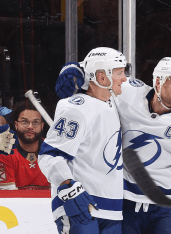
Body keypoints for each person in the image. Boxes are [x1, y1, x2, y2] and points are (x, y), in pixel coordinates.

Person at [56, 57, 171, 234]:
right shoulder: (128, 92)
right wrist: (76, 70)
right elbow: (102, 76)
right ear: (158, 81)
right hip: (126, 203)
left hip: (167, 210)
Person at [38, 47, 128, 233]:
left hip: (111, 209)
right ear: (102, 78)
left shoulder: (116, 101)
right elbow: (50, 155)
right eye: (120, 73)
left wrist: (76, 67)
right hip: (80, 204)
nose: (125, 78)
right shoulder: (76, 108)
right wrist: (67, 186)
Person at [0, 99, 49, 190]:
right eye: (25, 122)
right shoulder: (2, 151)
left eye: (35, 122)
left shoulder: (54, 150)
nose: (30, 126)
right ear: (16, 124)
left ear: (42, 126)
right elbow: (8, 196)